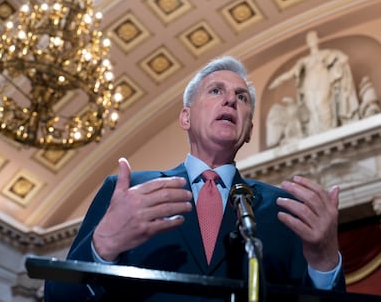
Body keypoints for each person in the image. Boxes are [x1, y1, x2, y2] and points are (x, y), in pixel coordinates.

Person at [44, 56, 345, 301]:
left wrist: (325, 262)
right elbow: (58, 297)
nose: (230, 100)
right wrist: (102, 245)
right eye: (216, 91)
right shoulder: (129, 192)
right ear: (185, 118)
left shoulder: (284, 210)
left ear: (249, 129)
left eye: (241, 98)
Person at [268, 31, 359, 137]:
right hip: (309, 83)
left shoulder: (325, 53)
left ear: (317, 40)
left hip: (322, 79)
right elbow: (290, 74)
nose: (311, 41)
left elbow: (343, 57)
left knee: (322, 103)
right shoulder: (304, 60)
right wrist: (278, 80)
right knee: (312, 107)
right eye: (309, 39)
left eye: (313, 38)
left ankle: (328, 130)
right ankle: (316, 134)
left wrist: (338, 65)